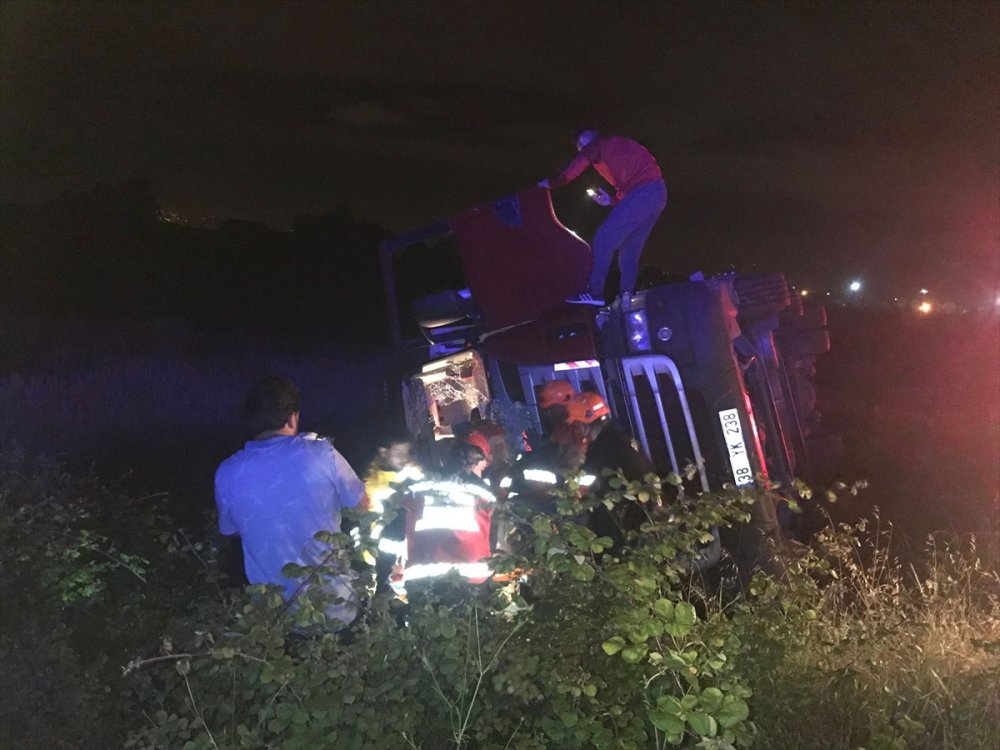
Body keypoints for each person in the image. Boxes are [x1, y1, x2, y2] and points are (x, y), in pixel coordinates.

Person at [214, 376, 368, 627]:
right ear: (291, 417)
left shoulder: (227, 472)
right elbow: (362, 504)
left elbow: (229, 530)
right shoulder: (321, 453)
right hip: (338, 609)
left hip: (275, 620)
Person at [539, 129, 667, 305]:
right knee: (629, 252)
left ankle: (595, 291)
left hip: (645, 192)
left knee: (603, 238)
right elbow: (629, 183)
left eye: (583, 148)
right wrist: (611, 200)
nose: (584, 152)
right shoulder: (615, 148)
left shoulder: (601, 145)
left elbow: (575, 166)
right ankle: (626, 300)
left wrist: (551, 183)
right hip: (656, 194)